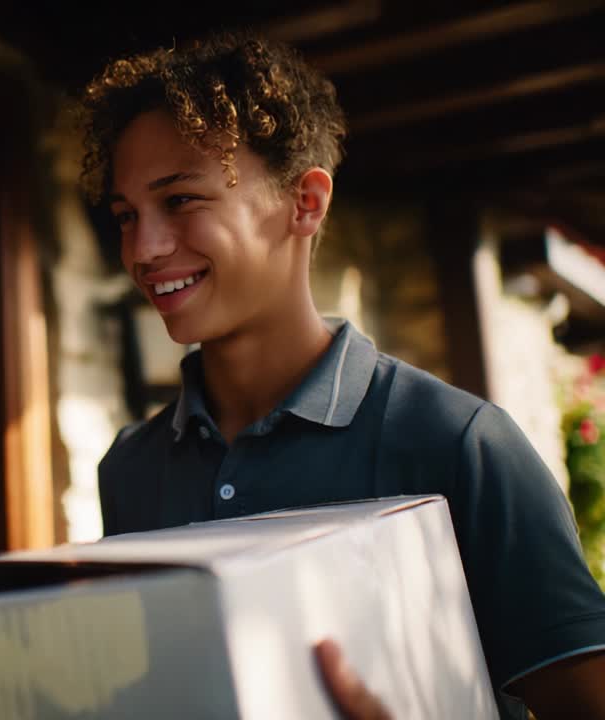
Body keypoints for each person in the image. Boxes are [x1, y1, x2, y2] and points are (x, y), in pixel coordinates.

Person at [79, 32, 605, 719]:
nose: (143, 250)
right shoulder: (130, 470)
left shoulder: (461, 445)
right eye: (126, 216)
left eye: (180, 200)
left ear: (305, 202)